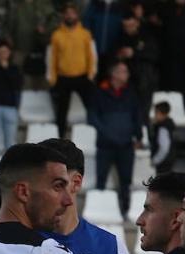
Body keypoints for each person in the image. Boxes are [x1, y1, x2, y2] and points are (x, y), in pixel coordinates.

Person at [90, 60, 140, 219]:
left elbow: (137, 116)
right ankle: (98, 211)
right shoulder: (99, 92)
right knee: (101, 181)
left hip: (126, 145)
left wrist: (138, 135)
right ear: (114, 74)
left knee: (126, 182)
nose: (127, 74)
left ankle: (124, 211)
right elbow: (93, 117)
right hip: (105, 145)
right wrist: (107, 133)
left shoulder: (131, 93)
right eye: (123, 71)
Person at [48, 3, 97, 139]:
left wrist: (91, 74)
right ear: (64, 16)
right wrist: (53, 78)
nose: (70, 16)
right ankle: (60, 139)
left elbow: (91, 55)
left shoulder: (85, 34)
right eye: (67, 13)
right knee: (61, 112)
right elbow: (52, 58)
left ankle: (96, 133)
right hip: (63, 77)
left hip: (82, 77)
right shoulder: (57, 35)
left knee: (92, 106)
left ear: (77, 15)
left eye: (72, 13)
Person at [149, 100, 175, 172]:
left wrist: (155, 160)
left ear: (161, 113)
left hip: (164, 163)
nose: (154, 115)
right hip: (167, 162)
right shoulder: (168, 125)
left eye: (156, 113)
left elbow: (164, 148)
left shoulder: (163, 128)